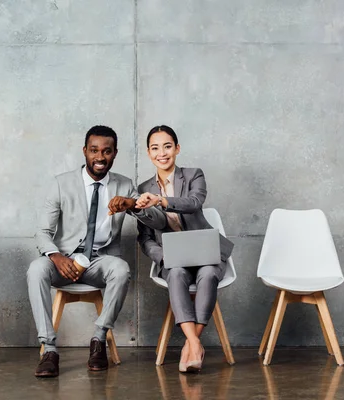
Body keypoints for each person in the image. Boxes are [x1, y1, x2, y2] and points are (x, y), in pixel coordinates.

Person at [28, 125, 166, 378]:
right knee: (36, 269)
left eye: (106, 151)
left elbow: (158, 221)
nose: (100, 157)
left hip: (99, 262)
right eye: (94, 150)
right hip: (65, 261)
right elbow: (41, 232)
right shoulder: (61, 184)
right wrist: (56, 257)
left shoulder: (124, 184)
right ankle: (48, 349)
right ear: (85, 151)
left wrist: (132, 205)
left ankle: (99, 339)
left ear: (114, 154)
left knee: (121, 269)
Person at [135, 125, 233, 373]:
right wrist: (162, 256)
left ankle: (190, 345)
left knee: (209, 274)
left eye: (167, 146)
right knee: (176, 273)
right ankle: (194, 344)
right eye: (155, 148)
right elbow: (145, 237)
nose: (162, 153)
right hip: (173, 259)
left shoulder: (193, 175)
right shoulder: (142, 188)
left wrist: (161, 200)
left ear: (177, 148)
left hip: (205, 253)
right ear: (148, 153)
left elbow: (194, 202)